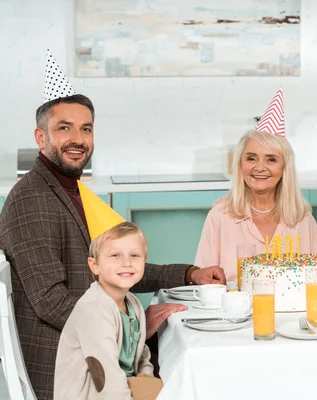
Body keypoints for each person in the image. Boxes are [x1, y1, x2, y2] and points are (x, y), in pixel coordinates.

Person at [0, 51, 225, 399]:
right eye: (64, 128)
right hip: (65, 367)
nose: (78, 139)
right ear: (40, 138)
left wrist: (189, 274)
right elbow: (51, 302)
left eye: (86, 129)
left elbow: (116, 267)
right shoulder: (32, 199)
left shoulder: (68, 190)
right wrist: (130, 326)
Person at [195, 90, 317, 281]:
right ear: (240, 164)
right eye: (251, 158)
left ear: (284, 168)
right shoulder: (220, 217)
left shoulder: (303, 220)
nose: (260, 168)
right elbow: (205, 283)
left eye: (271, 160)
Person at [55, 222, 164, 400]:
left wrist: (147, 381)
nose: (127, 263)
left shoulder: (132, 303)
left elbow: (141, 352)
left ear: (144, 260)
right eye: (115, 255)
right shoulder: (94, 310)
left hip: (125, 384)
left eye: (135, 255)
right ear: (94, 265)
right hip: (94, 394)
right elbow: (105, 376)